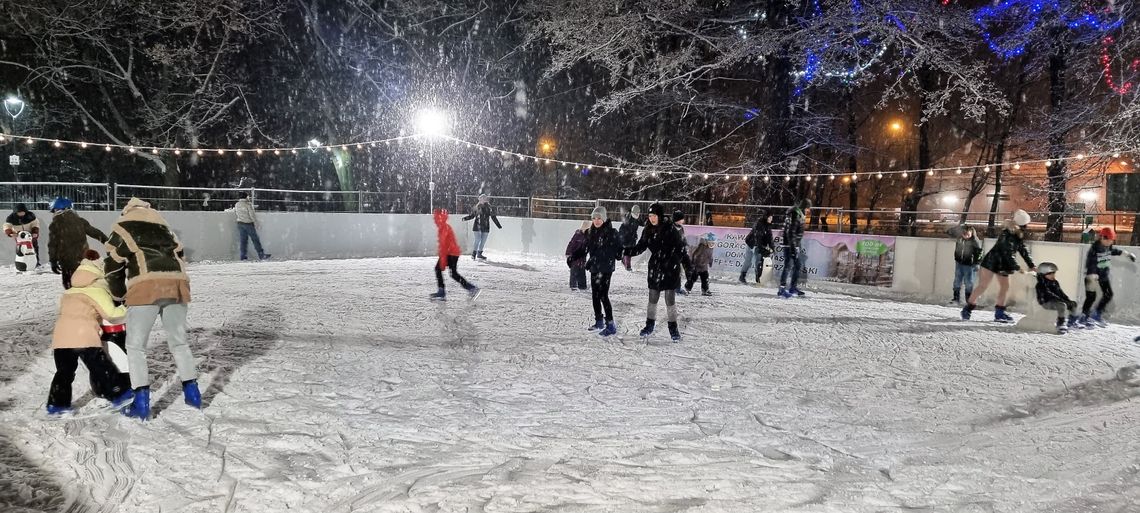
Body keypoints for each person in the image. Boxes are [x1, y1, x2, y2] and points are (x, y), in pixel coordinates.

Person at [104, 198, 198, 420]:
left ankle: (141, 404)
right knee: (179, 342)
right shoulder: (164, 227)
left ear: (127, 211)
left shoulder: (123, 226)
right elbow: (180, 256)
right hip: (177, 284)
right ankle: (193, 395)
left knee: (136, 347)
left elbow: (111, 265)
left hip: (146, 286)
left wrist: (118, 295)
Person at [46, 251, 134, 414]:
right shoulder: (96, 290)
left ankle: (56, 405)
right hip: (83, 336)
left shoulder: (69, 292)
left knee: (64, 373)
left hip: (61, 338)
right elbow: (113, 315)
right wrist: (127, 306)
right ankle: (120, 394)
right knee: (101, 367)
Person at [627, 203, 687, 341]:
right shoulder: (648, 229)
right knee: (652, 299)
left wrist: (679, 265)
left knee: (669, 300)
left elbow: (680, 248)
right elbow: (640, 247)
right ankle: (649, 325)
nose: (652, 218)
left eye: (654, 215)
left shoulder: (670, 229)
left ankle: (673, 329)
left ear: (659, 216)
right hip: (655, 268)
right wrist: (625, 251)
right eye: (650, 216)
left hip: (670, 269)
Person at [961, 209, 1035, 322]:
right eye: (1026, 224)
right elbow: (1007, 252)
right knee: (983, 286)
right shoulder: (1008, 233)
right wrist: (1017, 267)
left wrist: (1031, 264)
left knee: (1004, 287)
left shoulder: (1017, 234)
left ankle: (999, 313)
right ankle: (968, 309)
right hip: (992, 262)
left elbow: (1022, 249)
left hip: (1003, 265)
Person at [575, 206, 623, 336]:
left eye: (599, 218)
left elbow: (617, 251)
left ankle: (611, 325)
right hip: (595, 268)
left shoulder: (611, 232)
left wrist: (618, 253)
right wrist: (573, 256)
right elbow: (584, 249)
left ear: (604, 219)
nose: (596, 221)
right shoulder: (590, 232)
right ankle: (599, 321)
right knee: (595, 295)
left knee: (603, 295)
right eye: (594, 218)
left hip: (606, 268)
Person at [1080, 227, 1137, 328]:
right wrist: (1092, 273)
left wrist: (1127, 255)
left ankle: (1096, 314)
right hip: (1091, 276)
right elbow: (1091, 262)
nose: (1111, 242)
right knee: (1091, 298)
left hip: (1103, 276)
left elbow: (1115, 251)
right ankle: (1084, 317)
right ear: (1103, 238)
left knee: (1108, 294)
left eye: (1112, 240)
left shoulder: (1108, 247)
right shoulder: (1095, 248)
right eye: (1109, 240)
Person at [47, 196, 108, 289]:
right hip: (83, 258)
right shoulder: (80, 221)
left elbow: (53, 244)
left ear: (57, 210)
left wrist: (53, 261)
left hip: (67, 261)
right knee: (84, 281)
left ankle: (75, 300)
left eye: (54, 211)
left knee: (70, 284)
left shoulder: (55, 225)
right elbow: (95, 232)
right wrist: (107, 241)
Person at [430, 209, 480, 300]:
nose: (435, 220)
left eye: (436, 218)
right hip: (452, 252)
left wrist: (443, 260)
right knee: (452, 273)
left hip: (451, 253)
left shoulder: (444, 227)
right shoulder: (444, 226)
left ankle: (443, 291)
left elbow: (444, 245)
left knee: (444, 271)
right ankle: (470, 288)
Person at [1035, 262, 1081, 334]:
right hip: (1046, 302)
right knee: (1061, 305)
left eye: (1054, 273)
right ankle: (1060, 323)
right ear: (1043, 274)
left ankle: (1072, 322)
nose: (1053, 275)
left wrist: (1067, 299)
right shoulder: (1041, 283)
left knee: (1073, 304)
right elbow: (1048, 294)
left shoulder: (1055, 282)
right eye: (1050, 274)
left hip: (1057, 301)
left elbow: (1061, 293)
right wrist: (1060, 300)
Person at [779, 199, 811, 298]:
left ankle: (792, 287)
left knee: (797, 265)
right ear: (804, 207)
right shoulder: (795, 214)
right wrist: (793, 247)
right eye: (808, 208)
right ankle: (782, 289)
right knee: (788, 265)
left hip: (793, 243)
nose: (808, 211)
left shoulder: (798, 214)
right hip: (789, 243)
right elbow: (791, 232)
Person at [949, 224, 983, 304]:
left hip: (970, 265)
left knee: (969, 283)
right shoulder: (960, 238)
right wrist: (959, 227)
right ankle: (956, 298)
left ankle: (969, 300)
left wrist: (977, 263)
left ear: (971, 233)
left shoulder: (975, 241)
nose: (966, 236)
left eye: (968, 234)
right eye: (964, 234)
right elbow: (949, 232)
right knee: (957, 281)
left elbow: (979, 253)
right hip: (959, 263)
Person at [463, 194, 502, 261]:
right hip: (477, 226)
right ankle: (474, 253)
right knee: (478, 239)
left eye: (484, 198)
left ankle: (479, 253)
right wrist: (465, 218)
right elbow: (472, 216)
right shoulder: (476, 207)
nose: (483, 199)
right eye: (481, 198)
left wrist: (498, 225)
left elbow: (493, 217)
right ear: (479, 199)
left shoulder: (489, 207)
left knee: (483, 241)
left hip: (485, 227)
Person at [234, 192, 270, 261]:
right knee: (255, 240)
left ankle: (243, 256)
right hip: (248, 224)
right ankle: (261, 255)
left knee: (243, 241)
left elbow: (236, 213)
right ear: (246, 197)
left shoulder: (237, 204)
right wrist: (256, 223)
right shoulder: (248, 204)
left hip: (240, 224)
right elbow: (252, 215)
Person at [4, 203, 41, 270]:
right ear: (16, 212)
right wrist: (10, 233)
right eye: (19, 212)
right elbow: (6, 226)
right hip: (19, 236)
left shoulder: (31, 216)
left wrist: (35, 232)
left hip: (30, 235)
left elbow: (36, 224)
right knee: (21, 249)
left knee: (34, 248)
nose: (21, 214)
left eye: (22, 212)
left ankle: (36, 262)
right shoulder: (10, 218)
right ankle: (21, 262)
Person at [740, 211, 774, 284]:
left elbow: (770, 238)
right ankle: (743, 276)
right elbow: (757, 238)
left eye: (772, 217)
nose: (771, 219)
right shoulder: (759, 224)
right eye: (770, 217)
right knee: (749, 261)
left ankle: (758, 278)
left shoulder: (768, 225)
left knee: (758, 261)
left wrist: (772, 248)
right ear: (766, 217)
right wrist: (762, 248)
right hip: (752, 244)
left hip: (759, 245)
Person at [565, 221, 589, 291]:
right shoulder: (578, 234)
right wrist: (568, 253)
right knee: (574, 271)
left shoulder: (588, 236)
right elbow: (571, 243)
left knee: (582, 272)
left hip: (582, 257)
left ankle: (582, 286)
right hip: (575, 256)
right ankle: (573, 286)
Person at [618, 205, 642, 271]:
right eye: (635, 213)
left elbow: (641, 223)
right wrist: (623, 236)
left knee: (630, 251)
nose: (637, 214)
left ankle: (624, 261)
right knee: (627, 250)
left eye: (638, 213)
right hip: (625, 236)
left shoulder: (637, 219)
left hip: (632, 236)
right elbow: (623, 228)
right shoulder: (628, 218)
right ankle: (627, 265)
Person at [673, 210, 691, 296]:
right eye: (681, 219)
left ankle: (687, 285)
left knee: (688, 265)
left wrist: (686, 245)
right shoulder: (671, 228)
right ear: (677, 219)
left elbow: (683, 238)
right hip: (673, 253)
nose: (683, 221)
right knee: (677, 270)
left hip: (681, 251)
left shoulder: (681, 228)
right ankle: (676, 288)